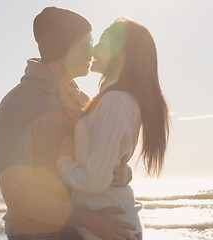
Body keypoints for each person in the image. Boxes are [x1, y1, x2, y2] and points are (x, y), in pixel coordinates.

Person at [0, 7, 137, 240]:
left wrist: (122, 172)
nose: (92, 51)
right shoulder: (18, 105)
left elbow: (97, 158)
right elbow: (17, 193)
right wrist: (88, 218)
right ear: (67, 48)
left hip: (82, 230)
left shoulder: (81, 99)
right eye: (86, 43)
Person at [56, 18, 171, 240]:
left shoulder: (115, 101)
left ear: (122, 52)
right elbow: (106, 163)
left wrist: (64, 162)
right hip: (114, 227)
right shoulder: (116, 99)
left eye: (102, 42)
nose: (94, 48)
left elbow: (93, 181)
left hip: (111, 230)